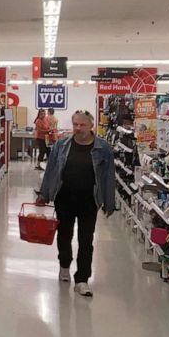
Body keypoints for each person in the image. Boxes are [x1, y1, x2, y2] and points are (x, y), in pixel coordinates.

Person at [36, 110, 116, 297]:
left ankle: (82, 279)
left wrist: (108, 202)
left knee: (86, 239)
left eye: (82, 125)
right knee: (64, 234)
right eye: (75, 125)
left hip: (89, 200)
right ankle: (64, 265)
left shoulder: (103, 148)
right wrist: (44, 193)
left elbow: (108, 176)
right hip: (64, 197)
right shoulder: (62, 145)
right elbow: (52, 170)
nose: (78, 129)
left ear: (91, 126)